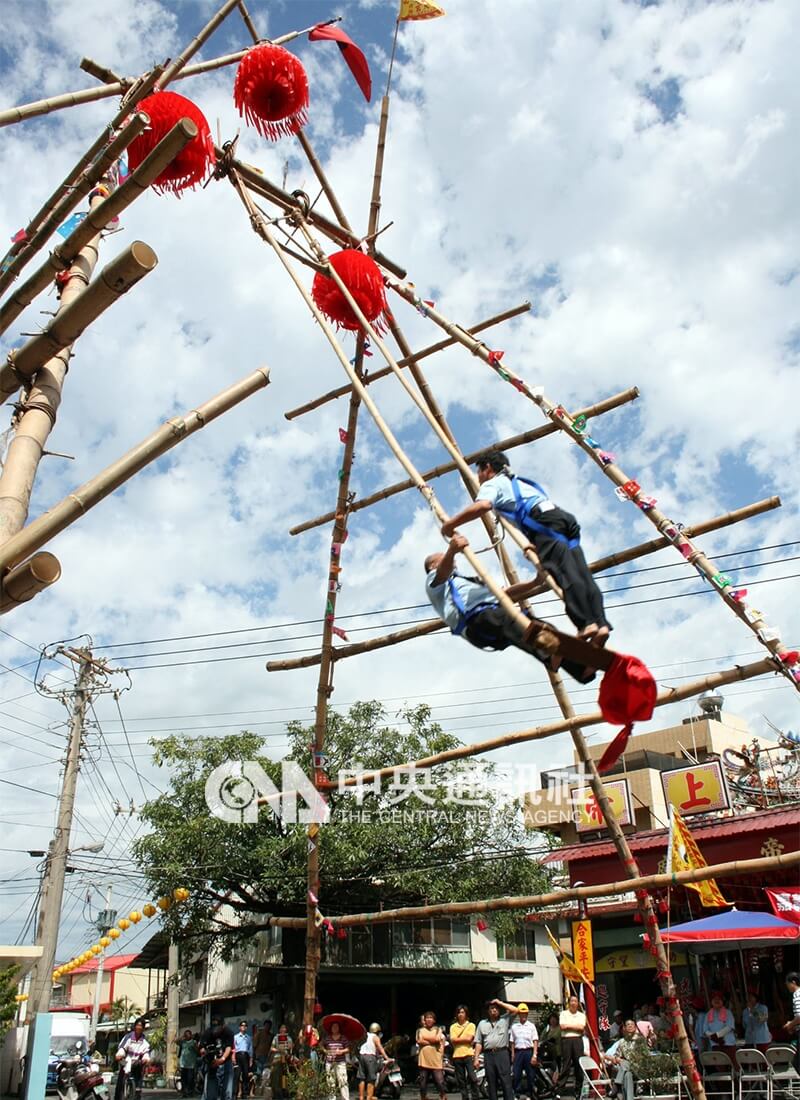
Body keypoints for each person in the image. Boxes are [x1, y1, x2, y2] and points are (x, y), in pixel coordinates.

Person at [441, 450, 612, 644]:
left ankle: (586, 623)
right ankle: (601, 624)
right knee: (581, 574)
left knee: (564, 574)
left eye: (479, 472)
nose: (479, 478)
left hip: (543, 524)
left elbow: (483, 506)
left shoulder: (493, 483)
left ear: (487, 468)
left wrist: (450, 525)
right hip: (561, 520)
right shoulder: (519, 482)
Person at [425, 534, 597, 685]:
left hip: (491, 617)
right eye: (445, 558)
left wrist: (534, 582)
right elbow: (442, 573)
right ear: (433, 565)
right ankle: (551, 657)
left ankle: (581, 671)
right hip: (476, 620)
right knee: (528, 629)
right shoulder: (436, 582)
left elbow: (504, 593)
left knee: (540, 629)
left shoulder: (470, 583)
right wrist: (452, 550)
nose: (453, 561)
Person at [474, 999, 517, 1100]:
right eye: (492, 1008)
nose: (494, 1010)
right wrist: (476, 1058)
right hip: (488, 1055)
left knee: (506, 1081)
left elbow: (516, 1010)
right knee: (491, 1082)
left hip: (502, 1053)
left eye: (496, 1008)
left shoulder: (504, 1020)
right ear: (488, 1011)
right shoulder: (482, 1024)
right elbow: (479, 1042)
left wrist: (500, 1003)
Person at [604, 1019, 648, 1100]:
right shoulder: (622, 1042)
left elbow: (643, 1057)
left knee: (625, 1063)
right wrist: (618, 1059)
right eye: (628, 1024)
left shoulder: (640, 1040)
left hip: (639, 1069)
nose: (630, 1026)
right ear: (624, 1028)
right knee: (628, 1074)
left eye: (632, 1024)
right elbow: (617, 1056)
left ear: (635, 1027)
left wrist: (626, 1061)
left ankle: (616, 1086)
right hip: (627, 1070)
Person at [556, 994, 586, 1093]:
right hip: (566, 1040)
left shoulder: (581, 1015)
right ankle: (560, 1088)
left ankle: (578, 1088)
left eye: (575, 1001)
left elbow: (581, 1028)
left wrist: (569, 1026)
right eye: (571, 1001)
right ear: (569, 1003)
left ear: (578, 1004)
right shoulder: (563, 1013)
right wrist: (575, 1026)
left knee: (578, 1064)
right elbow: (562, 1027)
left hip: (577, 1040)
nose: (573, 1003)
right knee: (566, 1064)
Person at [114, 1017, 151, 1100]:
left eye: (141, 1026)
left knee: (138, 1086)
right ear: (135, 1027)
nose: (139, 1028)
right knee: (120, 1083)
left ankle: (137, 1093)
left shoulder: (145, 1041)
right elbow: (122, 1048)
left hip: (137, 1063)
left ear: (143, 1028)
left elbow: (146, 1052)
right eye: (137, 1025)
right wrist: (119, 1055)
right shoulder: (128, 1037)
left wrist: (146, 1059)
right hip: (126, 1061)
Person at [200, 1017, 235, 1100]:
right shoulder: (207, 1033)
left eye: (218, 1028)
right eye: (214, 1028)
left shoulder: (228, 1032)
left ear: (223, 1026)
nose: (215, 1031)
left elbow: (228, 1048)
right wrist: (204, 1052)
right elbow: (201, 1047)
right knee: (209, 1093)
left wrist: (222, 1059)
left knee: (227, 1092)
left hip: (226, 1061)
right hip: (211, 1063)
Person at [449, 1006, 479, 1100]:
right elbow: (452, 1040)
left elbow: (470, 1039)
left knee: (472, 1077)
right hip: (457, 1055)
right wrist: (463, 1039)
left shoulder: (471, 1025)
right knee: (461, 1080)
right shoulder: (453, 1026)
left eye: (462, 1012)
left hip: (469, 1054)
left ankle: (475, 1097)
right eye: (459, 1012)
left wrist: (459, 1040)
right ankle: (464, 1097)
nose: (461, 1014)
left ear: (466, 1014)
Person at [509, 1003, 538, 1099]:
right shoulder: (514, 1027)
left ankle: (530, 1093)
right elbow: (512, 1041)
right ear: (519, 1014)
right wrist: (512, 1054)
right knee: (516, 1074)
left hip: (528, 1052)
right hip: (518, 1052)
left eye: (525, 1013)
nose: (523, 1015)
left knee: (530, 1074)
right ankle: (516, 1093)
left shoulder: (531, 1026)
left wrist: (534, 1055)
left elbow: (535, 1041)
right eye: (522, 1013)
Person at [417, 1011, 446, 1100]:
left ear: (434, 1020)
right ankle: (423, 1097)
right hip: (424, 1060)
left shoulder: (438, 1029)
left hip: (436, 1059)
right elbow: (419, 1041)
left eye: (431, 1018)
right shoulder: (420, 1030)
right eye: (427, 1018)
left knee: (440, 1081)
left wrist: (426, 1039)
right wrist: (433, 1041)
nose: (429, 1019)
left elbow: (438, 1039)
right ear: (424, 1020)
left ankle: (443, 1095)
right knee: (422, 1083)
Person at [358, 1023, 387, 1100]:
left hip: (361, 1056)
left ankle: (361, 1097)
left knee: (362, 1078)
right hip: (370, 1057)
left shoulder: (364, 1035)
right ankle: (369, 1097)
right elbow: (381, 1048)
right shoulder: (375, 1037)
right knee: (371, 1079)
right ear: (377, 1030)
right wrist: (387, 1058)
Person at [321, 1020, 350, 1100]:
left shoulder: (343, 1038)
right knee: (330, 1082)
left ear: (338, 1028)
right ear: (331, 1028)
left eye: (336, 1027)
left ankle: (345, 1098)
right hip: (329, 1063)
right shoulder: (327, 1038)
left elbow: (348, 1049)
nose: (334, 1028)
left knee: (343, 1081)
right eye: (333, 1027)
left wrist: (341, 1051)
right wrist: (325, 1051)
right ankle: (331, 1098)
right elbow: (321, 1045)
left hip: (340, 1062)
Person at [269, 1025, 294, 1100]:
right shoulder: (276, 1038)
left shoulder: (289, 1038)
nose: (283, 1029)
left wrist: (289, 1047)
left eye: (284, 1028)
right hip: (277, 1059)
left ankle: (286, 1094)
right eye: (281, 1028)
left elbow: (291, 1048)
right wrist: (278, 1050)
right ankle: (277, 1095)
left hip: (286, 1059)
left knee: (286, 1077)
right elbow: (271, 1048)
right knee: (276, 1078)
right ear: (279, 1029)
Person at [784, 972, 800, 1071]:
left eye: (787, 984)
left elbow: (799, 1015)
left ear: (793, 982)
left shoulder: (797, 994)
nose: (787, 986)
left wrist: (790, 1025)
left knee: (797, 1064)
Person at [234, 1021, 253, 1099]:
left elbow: (250, 1049)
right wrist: (233, 1057)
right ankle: (235, 1093)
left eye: (245, 1026)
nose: (243, 1027)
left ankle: (245, 1093)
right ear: (239, 1027)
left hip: (246, 1056)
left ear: (246, 1027)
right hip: (238, 1056)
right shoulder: (235, 1037)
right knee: (237, 1075)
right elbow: (233, 1048)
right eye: (242, 1025)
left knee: (245, 1075)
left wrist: (251, 1059)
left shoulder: (248, 1037)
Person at [179, 1029, 200, 1097]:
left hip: (191, 1064)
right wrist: (182, 1037)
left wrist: (195, 1047)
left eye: (188, 1034)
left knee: (190, 1079)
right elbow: (175, 1041)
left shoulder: (193, 1042)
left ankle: (190, 1092)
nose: (186, 1036)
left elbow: (197, 1051)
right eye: (185, 1034)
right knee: (183, 1079)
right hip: (183, 1064)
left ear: (191, 1035)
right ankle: (184, 1092)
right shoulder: (183, 1042)